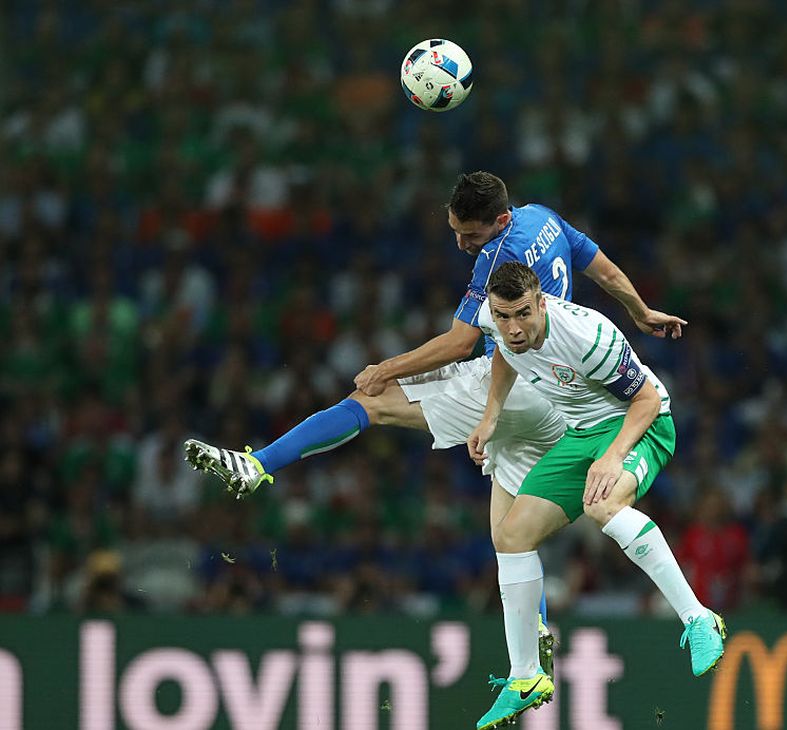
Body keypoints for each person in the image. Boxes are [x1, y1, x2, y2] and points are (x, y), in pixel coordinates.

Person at [183, 171, 686, 670]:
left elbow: (460, 342)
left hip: (511, 379)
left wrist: (386, 368)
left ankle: (257, 464)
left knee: (370, 400)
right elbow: (602, 268)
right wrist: (640, 310)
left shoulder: (497, 261)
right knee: (511, 538)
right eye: (454, 231)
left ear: (501, 221)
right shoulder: (544, 221)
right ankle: (534, 644)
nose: (462, 243)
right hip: (556, 397)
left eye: (469, 233)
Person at [467, 262, 724, 730]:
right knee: (511, 536)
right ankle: (525, 676)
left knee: (601, 503)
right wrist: (490, 416)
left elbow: (645, 398)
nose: (512, 327)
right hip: (582, 432)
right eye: (503, 317)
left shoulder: (590, 337)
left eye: (523, 313)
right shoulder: (493, 317)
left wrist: (613, 457)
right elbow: (505, 355)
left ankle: (699, 618)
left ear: (541, 302)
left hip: (639, 425)